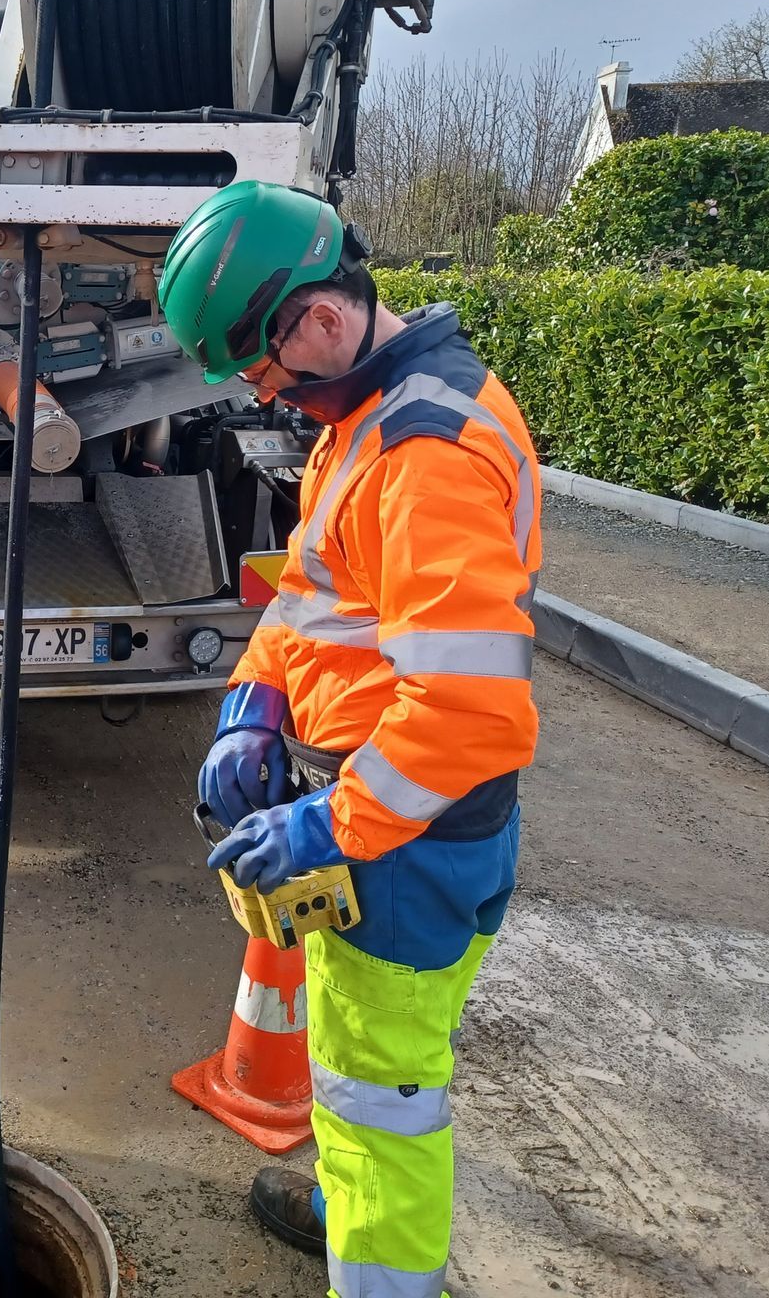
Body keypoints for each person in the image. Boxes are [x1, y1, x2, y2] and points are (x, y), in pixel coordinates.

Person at [159, 181, 541, 1298]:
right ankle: (336, 1195)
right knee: (366, 1052)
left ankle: (378, 1271)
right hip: (401, 815)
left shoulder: (424, 456)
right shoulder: (370, 421)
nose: (269, 400)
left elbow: (473, 712)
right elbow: (316, 601)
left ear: (318, 321)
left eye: (268, 377)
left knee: (385, 1096)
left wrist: (335, 822)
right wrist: (254, 702)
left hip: (408, 834)